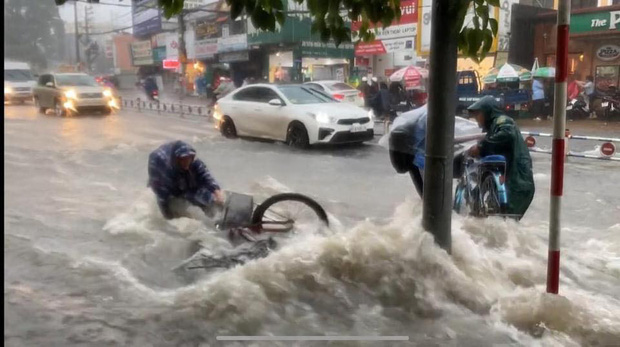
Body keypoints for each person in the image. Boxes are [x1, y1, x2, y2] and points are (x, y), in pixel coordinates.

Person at [466, 96, 535, 220]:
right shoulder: (493, 127)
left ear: (487, 111)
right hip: (510, 177)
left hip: (518, 179)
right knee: (503, 221)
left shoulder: (502, 121)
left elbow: (506, 134)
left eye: (478, 115)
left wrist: (481, 147)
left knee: (507, 218)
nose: (477, 120)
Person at [148, 141, 225, 220]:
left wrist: (216, 192)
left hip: (180, 174)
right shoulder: (166, 171)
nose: (186, 162)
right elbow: (163, 195)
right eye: (183, 159)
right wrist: (167, 216)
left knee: (204, 193)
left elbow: (206, 176)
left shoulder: (195, 162)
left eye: (188, 158)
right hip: (162, 175)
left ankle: (215, 211)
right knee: (176, 202)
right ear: (177, 159)